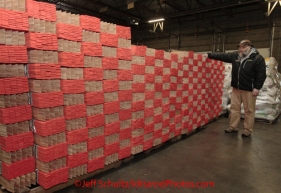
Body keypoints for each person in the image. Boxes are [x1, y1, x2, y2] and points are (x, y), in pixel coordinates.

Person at [202, 40, 266, 137]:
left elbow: (261, 74)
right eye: (239, 47)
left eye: (243, 47)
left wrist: (257, 88)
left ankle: (247, 130)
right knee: (234, 108)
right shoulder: (235, 56)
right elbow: (223, 56)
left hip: (249, 89)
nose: (241, 49)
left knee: (249, 110)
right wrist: (208, 54)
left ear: (249, 47)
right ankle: (233, 127)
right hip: (236, 88)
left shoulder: (257, 58)